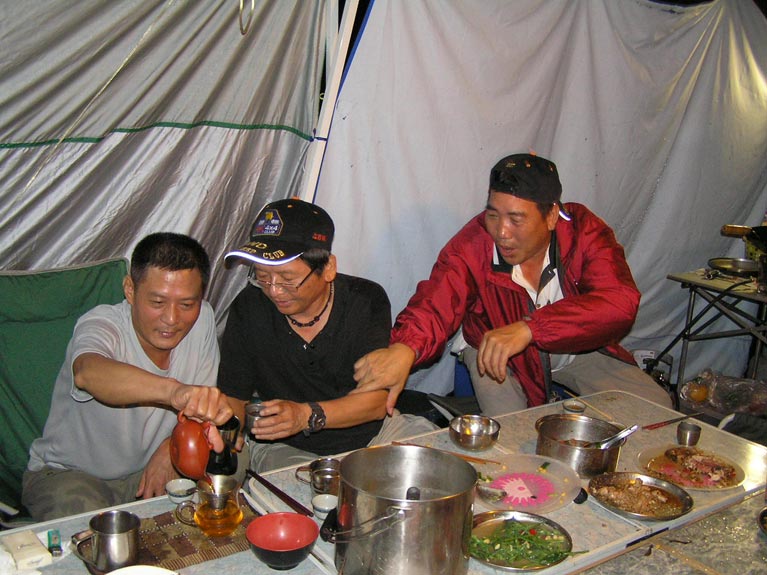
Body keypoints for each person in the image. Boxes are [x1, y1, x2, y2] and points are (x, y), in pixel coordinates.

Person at [353, 153, 673, 416]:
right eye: (493, 215)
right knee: (513, 434)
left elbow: (619, 302)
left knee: (656, 409)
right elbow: (438, 301)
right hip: (494, 350)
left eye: (516, 219)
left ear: (552, 216)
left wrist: (532, 328)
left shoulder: (582, 231)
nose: (502, 232)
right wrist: (405, 348)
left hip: (576, 347)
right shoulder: (474, 244)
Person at [22, 233, 232, 521]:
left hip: (145, 473)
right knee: (98, 532)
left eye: (186, 304)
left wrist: (169, 448)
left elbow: (200, 411)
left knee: (220, 498)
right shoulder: (102, 323)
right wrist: (175, 392)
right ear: (130, 290)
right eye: (157, 302)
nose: (172, 319)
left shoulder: (202, 319)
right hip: (69, 475)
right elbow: (87, 372)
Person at [218, 198, 437, 472]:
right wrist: (227, 427)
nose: (273, 290)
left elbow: (375, 403)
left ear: (328, 268)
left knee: (434, 463)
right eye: (262, 276)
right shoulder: (249, 307)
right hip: (286, 446)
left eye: (287, 279)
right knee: (302, 493)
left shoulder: (364, 300)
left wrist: (305, 415)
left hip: (374, 436)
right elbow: (234, 396)